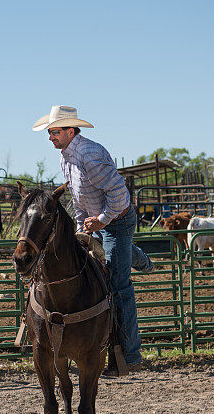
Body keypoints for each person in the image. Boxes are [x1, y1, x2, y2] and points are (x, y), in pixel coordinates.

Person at [32, 105, 154, 375]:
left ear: (71, 130)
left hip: (117, 221)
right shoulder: (66, 157)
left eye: (54, 131)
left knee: (117, 284)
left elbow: (120, 195)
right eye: (49, 132)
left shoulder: (89, 154)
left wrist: (102, 220)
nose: (50, 136)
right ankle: (137, 257)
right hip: (95, 221)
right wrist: (81, 228)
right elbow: (78, 200)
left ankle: (130, 355)